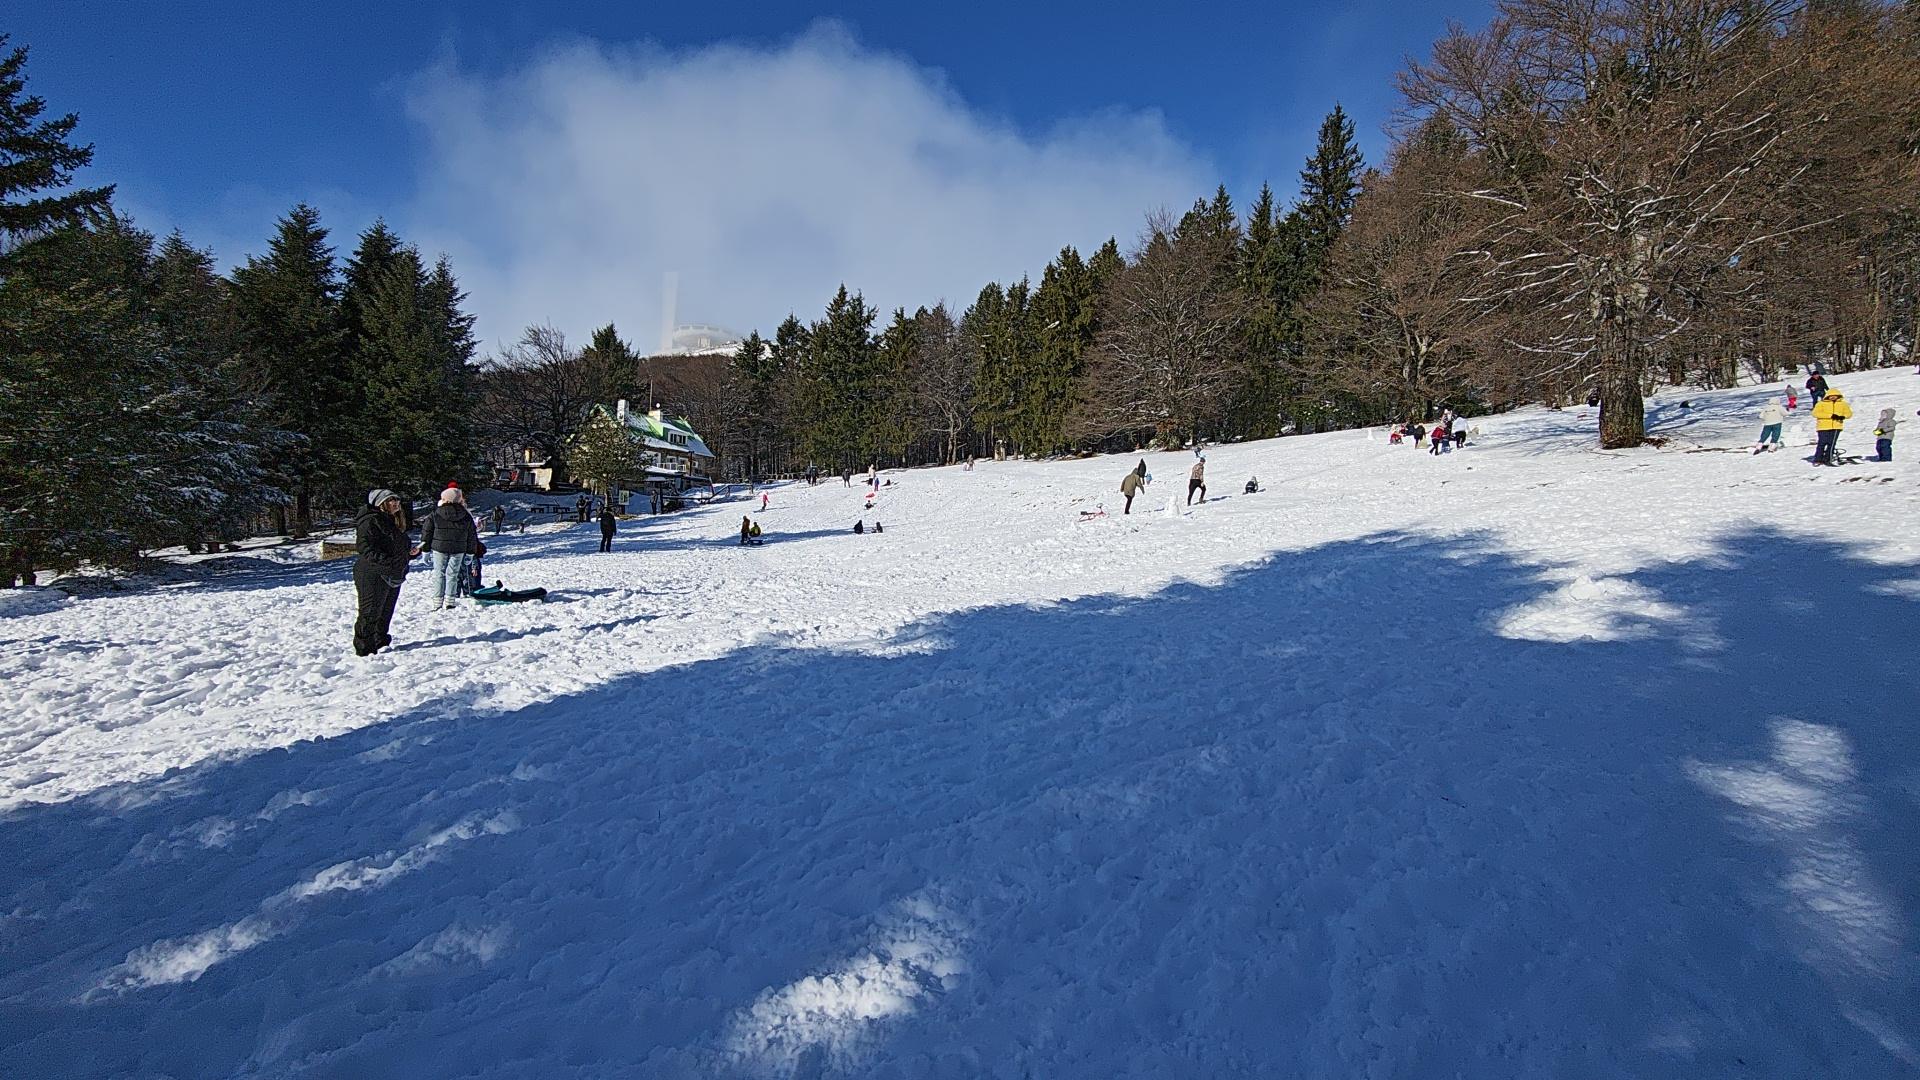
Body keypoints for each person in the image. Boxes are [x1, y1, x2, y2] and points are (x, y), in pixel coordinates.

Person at [352, 489, 418, 656]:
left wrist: (409, 554)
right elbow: (365, 549)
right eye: (390, 500)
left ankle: (380, 642)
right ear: (380, 503)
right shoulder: (370, 521)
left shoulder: (393, 521)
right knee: (370, 612)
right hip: (372, 573)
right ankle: (364, 648)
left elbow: (396, 546)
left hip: (392, 572)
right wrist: (389, 561)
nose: (395, 503)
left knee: (385, 611)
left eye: (396, 499)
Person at [419, 487, 480, 609]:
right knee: (453, 573)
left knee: (439, 573)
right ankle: (450, 600)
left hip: (439, 548)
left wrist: (425, 550)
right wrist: (470, 552)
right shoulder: (466, 515)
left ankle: (437, 601)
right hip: (458, 549)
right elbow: (472, 535)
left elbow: (427, 532)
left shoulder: (435, 514)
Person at [1812, 386, 1852, 465]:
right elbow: (1815, 413)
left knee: (1832, 443)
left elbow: (1849, 413)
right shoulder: (1821, 404)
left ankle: (1828, 458)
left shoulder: (1843, 404)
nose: (1833, 397)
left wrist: (1843, 416)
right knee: (1822, 443)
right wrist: (1830, 416)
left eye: (1835, 395)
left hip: (1836, 426)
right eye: (1831, 396)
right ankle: (1818, 459)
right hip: (1823, 427)